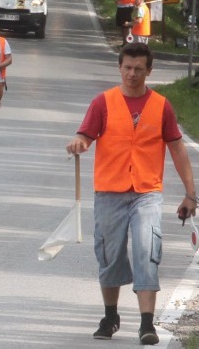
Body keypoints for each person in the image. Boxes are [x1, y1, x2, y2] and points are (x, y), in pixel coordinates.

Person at [66, 43, 197, 345]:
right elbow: (86, 135)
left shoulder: (161, 105)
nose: (132, 74)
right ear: (120, 67)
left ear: (149, 71)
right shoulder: (104, 102)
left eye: (139, 69)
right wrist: (78, 142)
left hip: (146, 193)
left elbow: (177, 148)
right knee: (110, 255)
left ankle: (146, 324)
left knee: (146, 250)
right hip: (109, 191)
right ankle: (110, 316)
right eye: (127, 67)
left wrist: (191, 194)